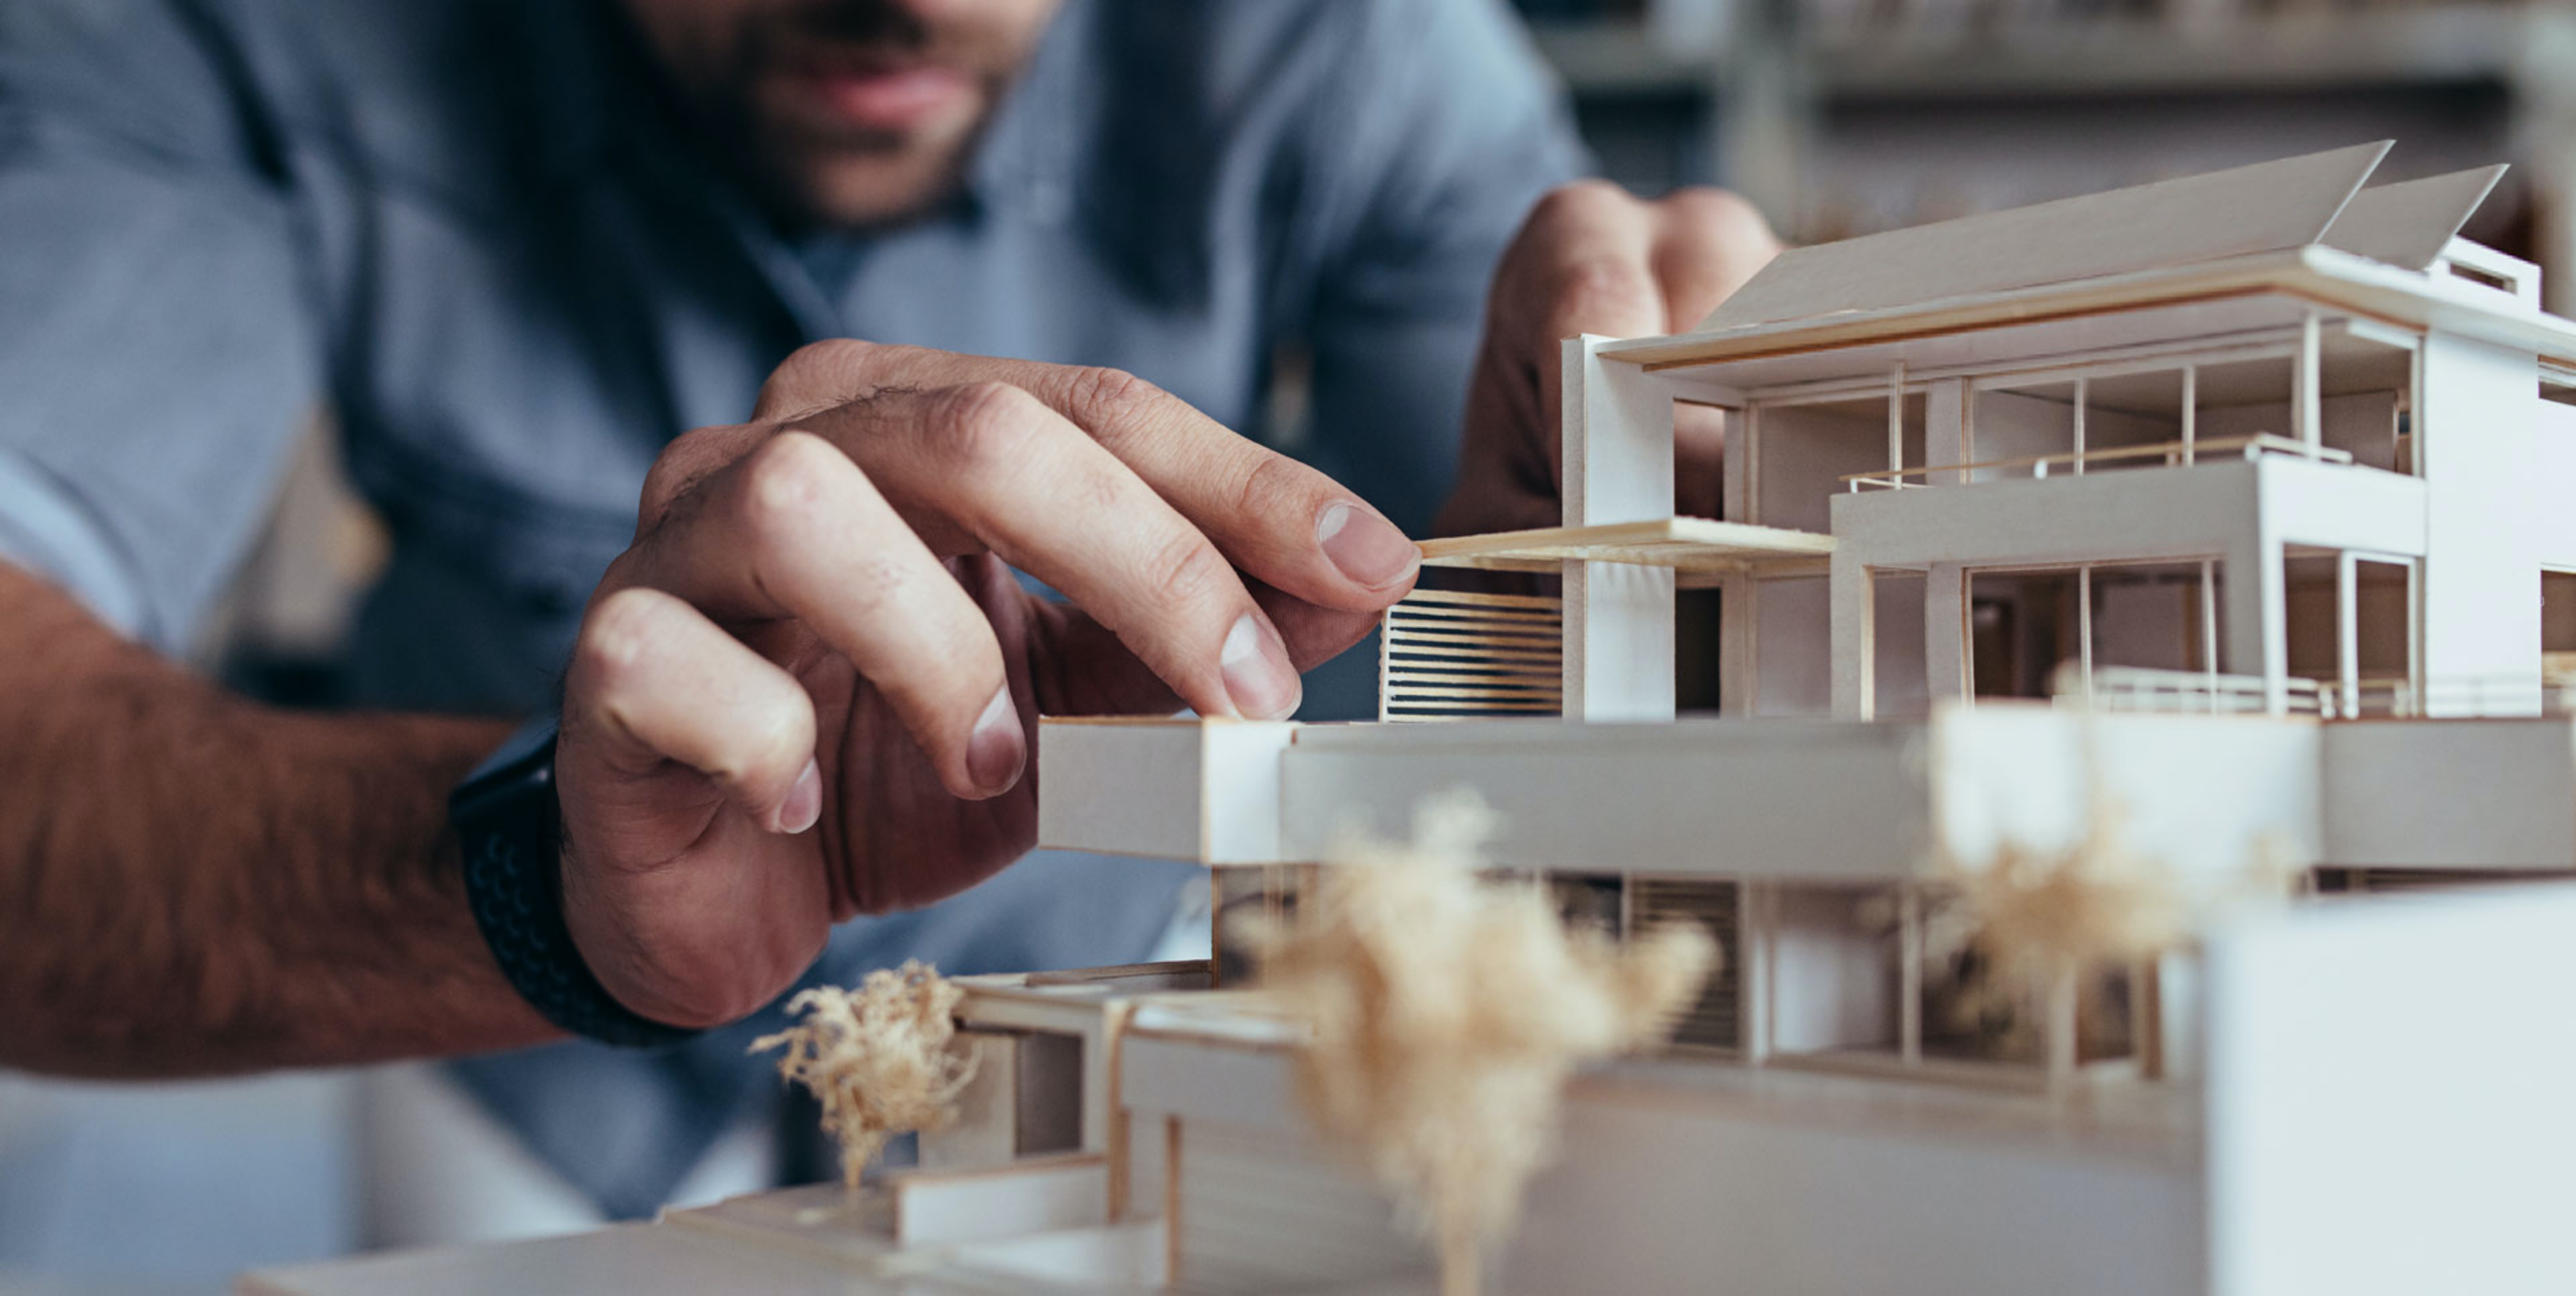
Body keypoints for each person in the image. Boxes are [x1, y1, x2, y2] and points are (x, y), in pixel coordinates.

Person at [0, 0, 1778, 1224]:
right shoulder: (233, 35)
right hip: (505, 1055)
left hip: (1110, 1051)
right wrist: (550, 894)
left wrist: (1629, 577)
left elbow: (1485, 612)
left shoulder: (1353, 46)